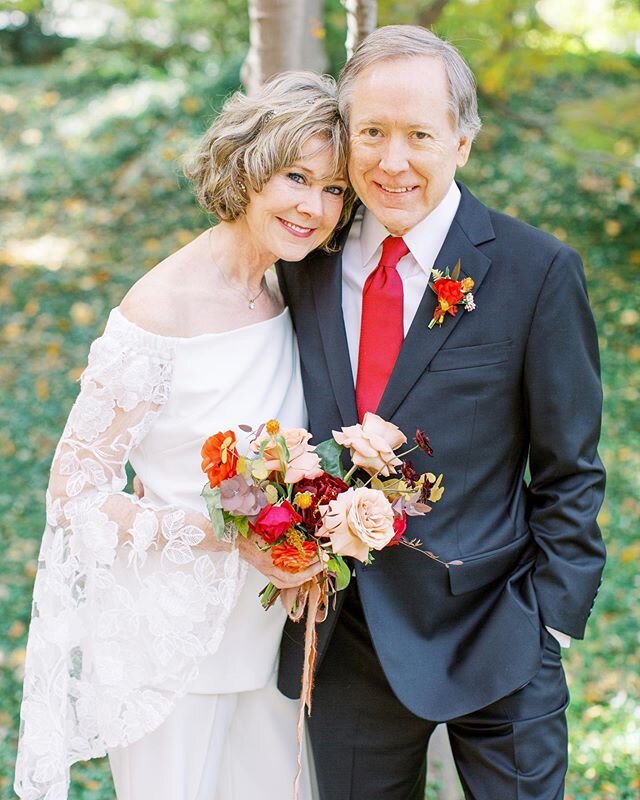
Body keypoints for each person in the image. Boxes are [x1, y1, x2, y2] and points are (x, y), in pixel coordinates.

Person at [277, 25, 606, 800]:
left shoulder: (537, 271)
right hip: (349, 639)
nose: (393, 161)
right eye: (373, 133)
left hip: (499, 631)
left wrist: (547, 623)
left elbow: (570, 469)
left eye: (420, 134)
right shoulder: (304, 266)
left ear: (461, 142)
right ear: (346, 138)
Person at [14, 71, 354, 800]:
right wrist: (224, 531)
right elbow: (74, 491)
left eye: (333, 190)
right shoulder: (160, 310)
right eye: (297, 176)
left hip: (269, 632)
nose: (314, 207)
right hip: (170, 641)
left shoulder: (289, 289)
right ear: (249, 167)